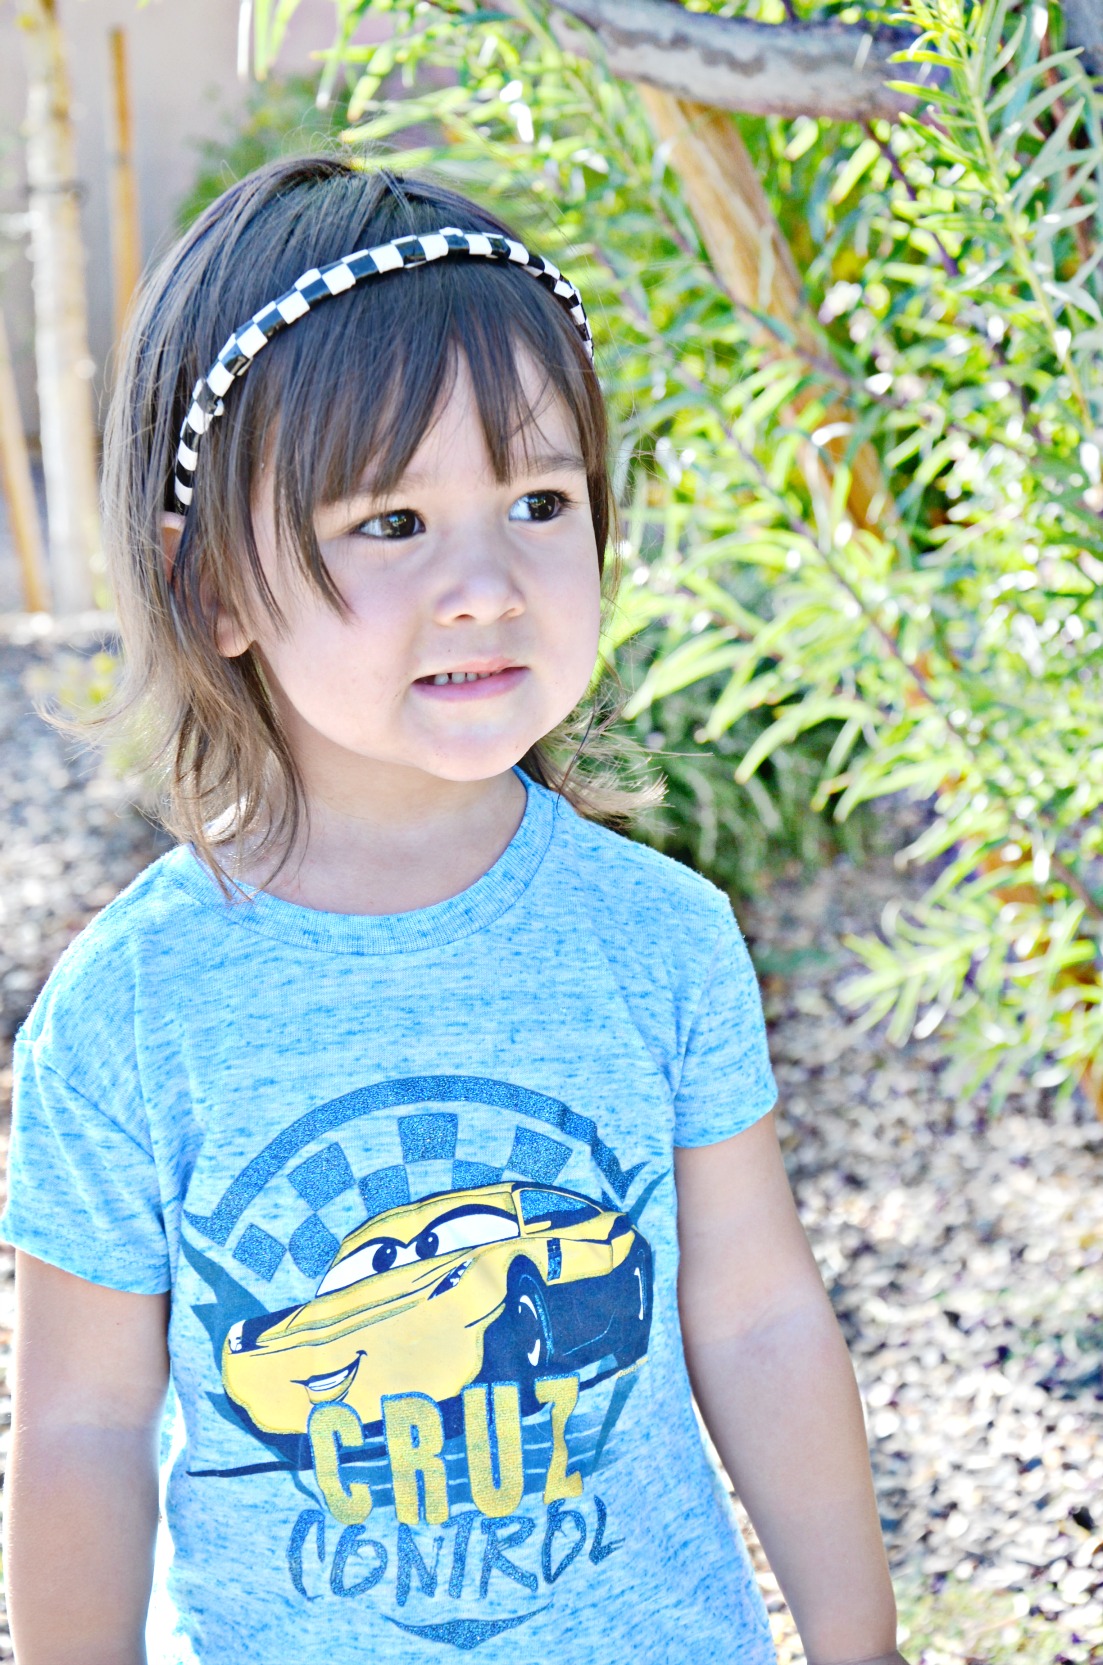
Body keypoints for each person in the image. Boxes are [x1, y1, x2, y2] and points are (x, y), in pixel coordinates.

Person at [2, 156, 910, 1665]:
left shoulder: (661, 939)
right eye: (392, 521)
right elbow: (84, 1425)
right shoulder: (132, 1011)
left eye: (539, 500)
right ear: (211, 585)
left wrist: (857, 1640)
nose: (486, 583)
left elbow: (754, 1314)